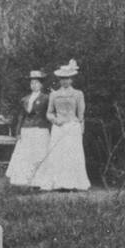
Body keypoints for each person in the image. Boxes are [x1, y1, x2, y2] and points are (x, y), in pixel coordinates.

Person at [31, 60, 90, 191]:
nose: (64, 81)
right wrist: (55, 120)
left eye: (67, 78)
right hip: (58, 127)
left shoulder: (78, 94)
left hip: (72, 127)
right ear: (59, 79)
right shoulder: (54, 94)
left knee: (72, 154)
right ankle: (58, 183)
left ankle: (72, 184)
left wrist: (80, 127)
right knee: (58, 155)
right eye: (62, 78)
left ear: (71, 79)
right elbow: (49, 113)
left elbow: (81, 114)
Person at [5, 69, 50, 186]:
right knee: (25, 155)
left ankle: (39, 181)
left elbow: (49, 114)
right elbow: (21, 116)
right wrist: (18, 131)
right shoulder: (25, 99)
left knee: (39, 153)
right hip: (26, 129)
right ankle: (23, 180)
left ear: (41, 84)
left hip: (40, 129)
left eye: (36, 83)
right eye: (32, 83)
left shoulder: (46, 98)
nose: (34, 85)